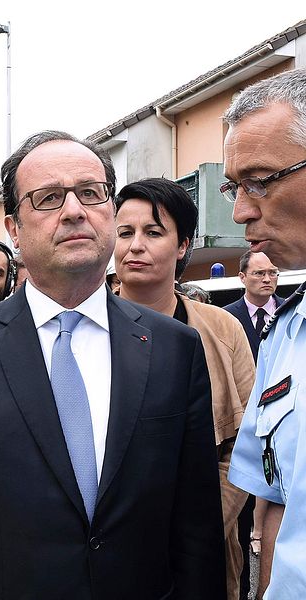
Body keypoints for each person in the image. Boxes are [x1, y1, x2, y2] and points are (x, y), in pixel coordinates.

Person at [0, 130, 226, 599]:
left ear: (109, 209)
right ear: (13, 228)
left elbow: (197, 527)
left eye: (90, 193)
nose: (73, 211)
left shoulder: (174, 347)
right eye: (48, 198)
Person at [113, 177, 254, 599]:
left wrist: (203, 524)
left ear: (182, 246)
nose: (136, 245)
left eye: (153, 232)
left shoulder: (222, 330)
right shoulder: (80, 330)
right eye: (124, 232)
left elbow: (247, 441)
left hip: (201, 551)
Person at [225, 67, 306, 600]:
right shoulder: (287, 332)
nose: (240, 211)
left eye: (259, 181)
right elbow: (274, 500)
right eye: (235, 187)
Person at [224, 251, 283, 598]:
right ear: (242, 277)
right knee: (242, 516)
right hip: (244, 426)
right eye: (259, 273)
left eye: (272, 272)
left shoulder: (291, 314)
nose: (267, 279)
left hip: (282, 426)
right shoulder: (226, 318)